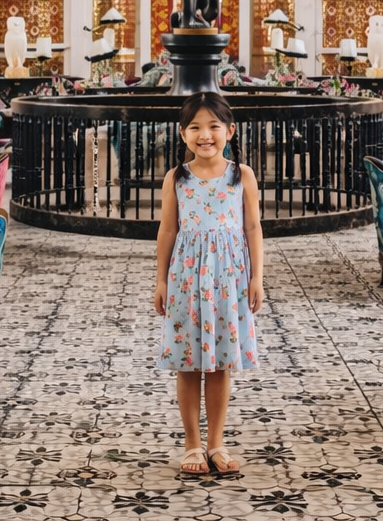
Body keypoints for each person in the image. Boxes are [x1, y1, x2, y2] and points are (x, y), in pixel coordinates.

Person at [154, 91, 264, 477]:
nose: (205, 135)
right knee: (188, 363)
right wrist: (161, 280)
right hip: (186, 277)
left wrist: (256, 277)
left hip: (228, 279)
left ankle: (216, 442)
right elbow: (168, 230)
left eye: (214, 126)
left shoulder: (241, 175)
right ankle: (192, 445)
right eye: (195, 127)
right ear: (182, 134)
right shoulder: (177, 178)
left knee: (219, 363)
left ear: (229, 131)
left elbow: (253, 226)